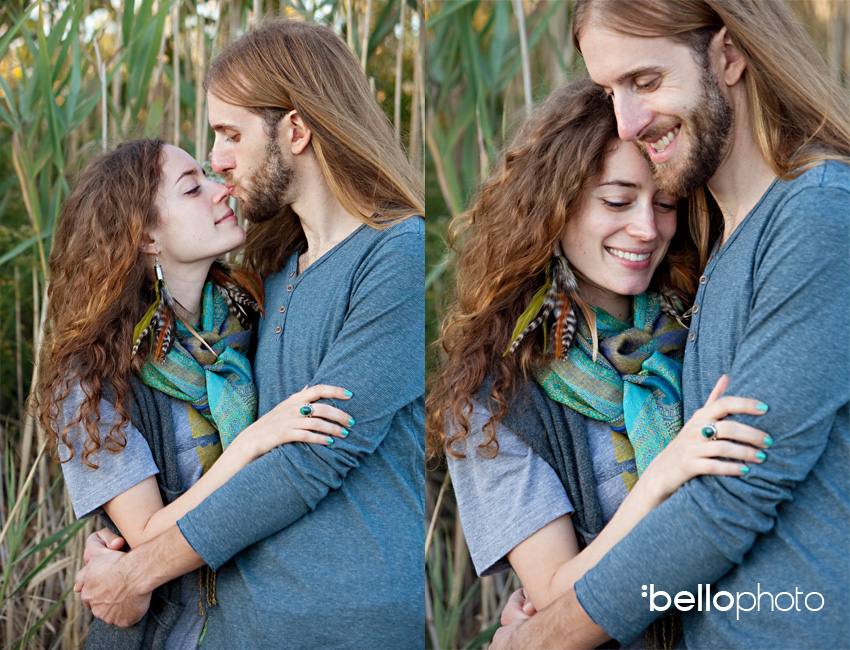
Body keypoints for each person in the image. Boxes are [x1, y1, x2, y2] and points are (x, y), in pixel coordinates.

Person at [493, 1, 850, 648]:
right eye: (609, 90)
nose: (626, 123)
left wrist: (542, 638)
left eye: (646, 82)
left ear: (729, 54)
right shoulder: (716, 247)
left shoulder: (817, 220)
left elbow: (730, 500)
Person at [74, 19, 426, 649]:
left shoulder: (397, 251)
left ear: (295, 129)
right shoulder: (273, 275)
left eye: (230, 134)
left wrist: (133, 571)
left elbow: (312, 455)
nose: (217, 162)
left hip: (345, 630)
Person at [427, 77, 773, 649]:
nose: (646, 228)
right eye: (616, 200)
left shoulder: (703, 316)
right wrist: (663, 475)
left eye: (664, 203)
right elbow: (557, 597)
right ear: (553, 208)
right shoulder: (492, 401)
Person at [36, 139, 355, 648]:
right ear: (146, 237)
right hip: (173, 633)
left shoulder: (255, 313)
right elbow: (145, 535)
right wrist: (253, 440)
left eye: (210, 175)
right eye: (192, 188)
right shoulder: (91, 378)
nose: (221, 189)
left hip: (270, 617)